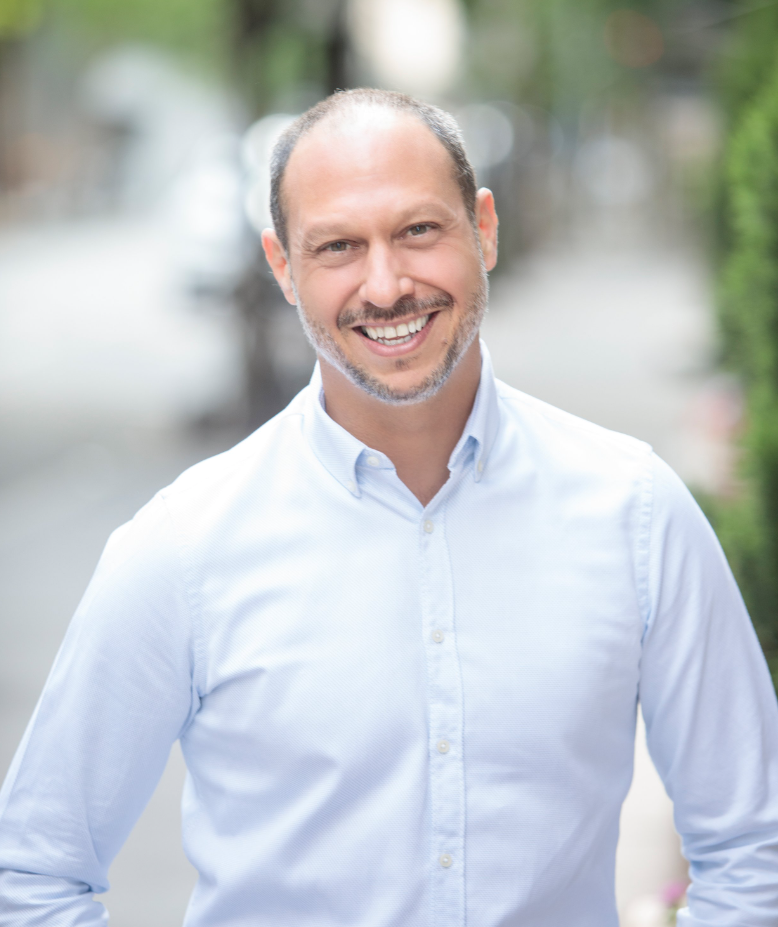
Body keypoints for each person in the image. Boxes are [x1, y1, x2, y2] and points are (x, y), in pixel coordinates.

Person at [0, 88, 777, 927]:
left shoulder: (635, 511)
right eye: (337, 245)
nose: (386, 283)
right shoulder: (183, 546)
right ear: (283, 269)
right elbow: (36, 874)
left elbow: (754, 848)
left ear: (482, 228)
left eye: (418, 230)